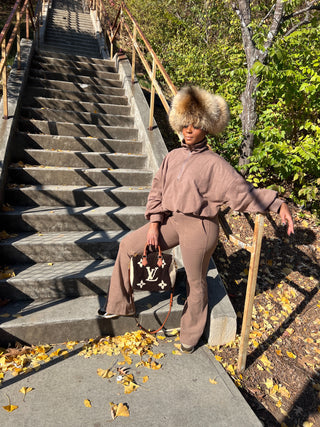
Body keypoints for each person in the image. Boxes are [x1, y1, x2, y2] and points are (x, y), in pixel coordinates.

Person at [98, 86, 294, 353]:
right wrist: (154, 224)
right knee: (128, 245)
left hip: (201, 228)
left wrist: (277, 203)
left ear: (206, 128)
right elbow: (157, 191)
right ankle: (118, 305)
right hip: (173, 221)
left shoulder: (215, 164)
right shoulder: (173, 156)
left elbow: (243, 194)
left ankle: (190, 336)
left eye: (196, 125)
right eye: (185, 124)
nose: (189, 130)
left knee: (195, 281)